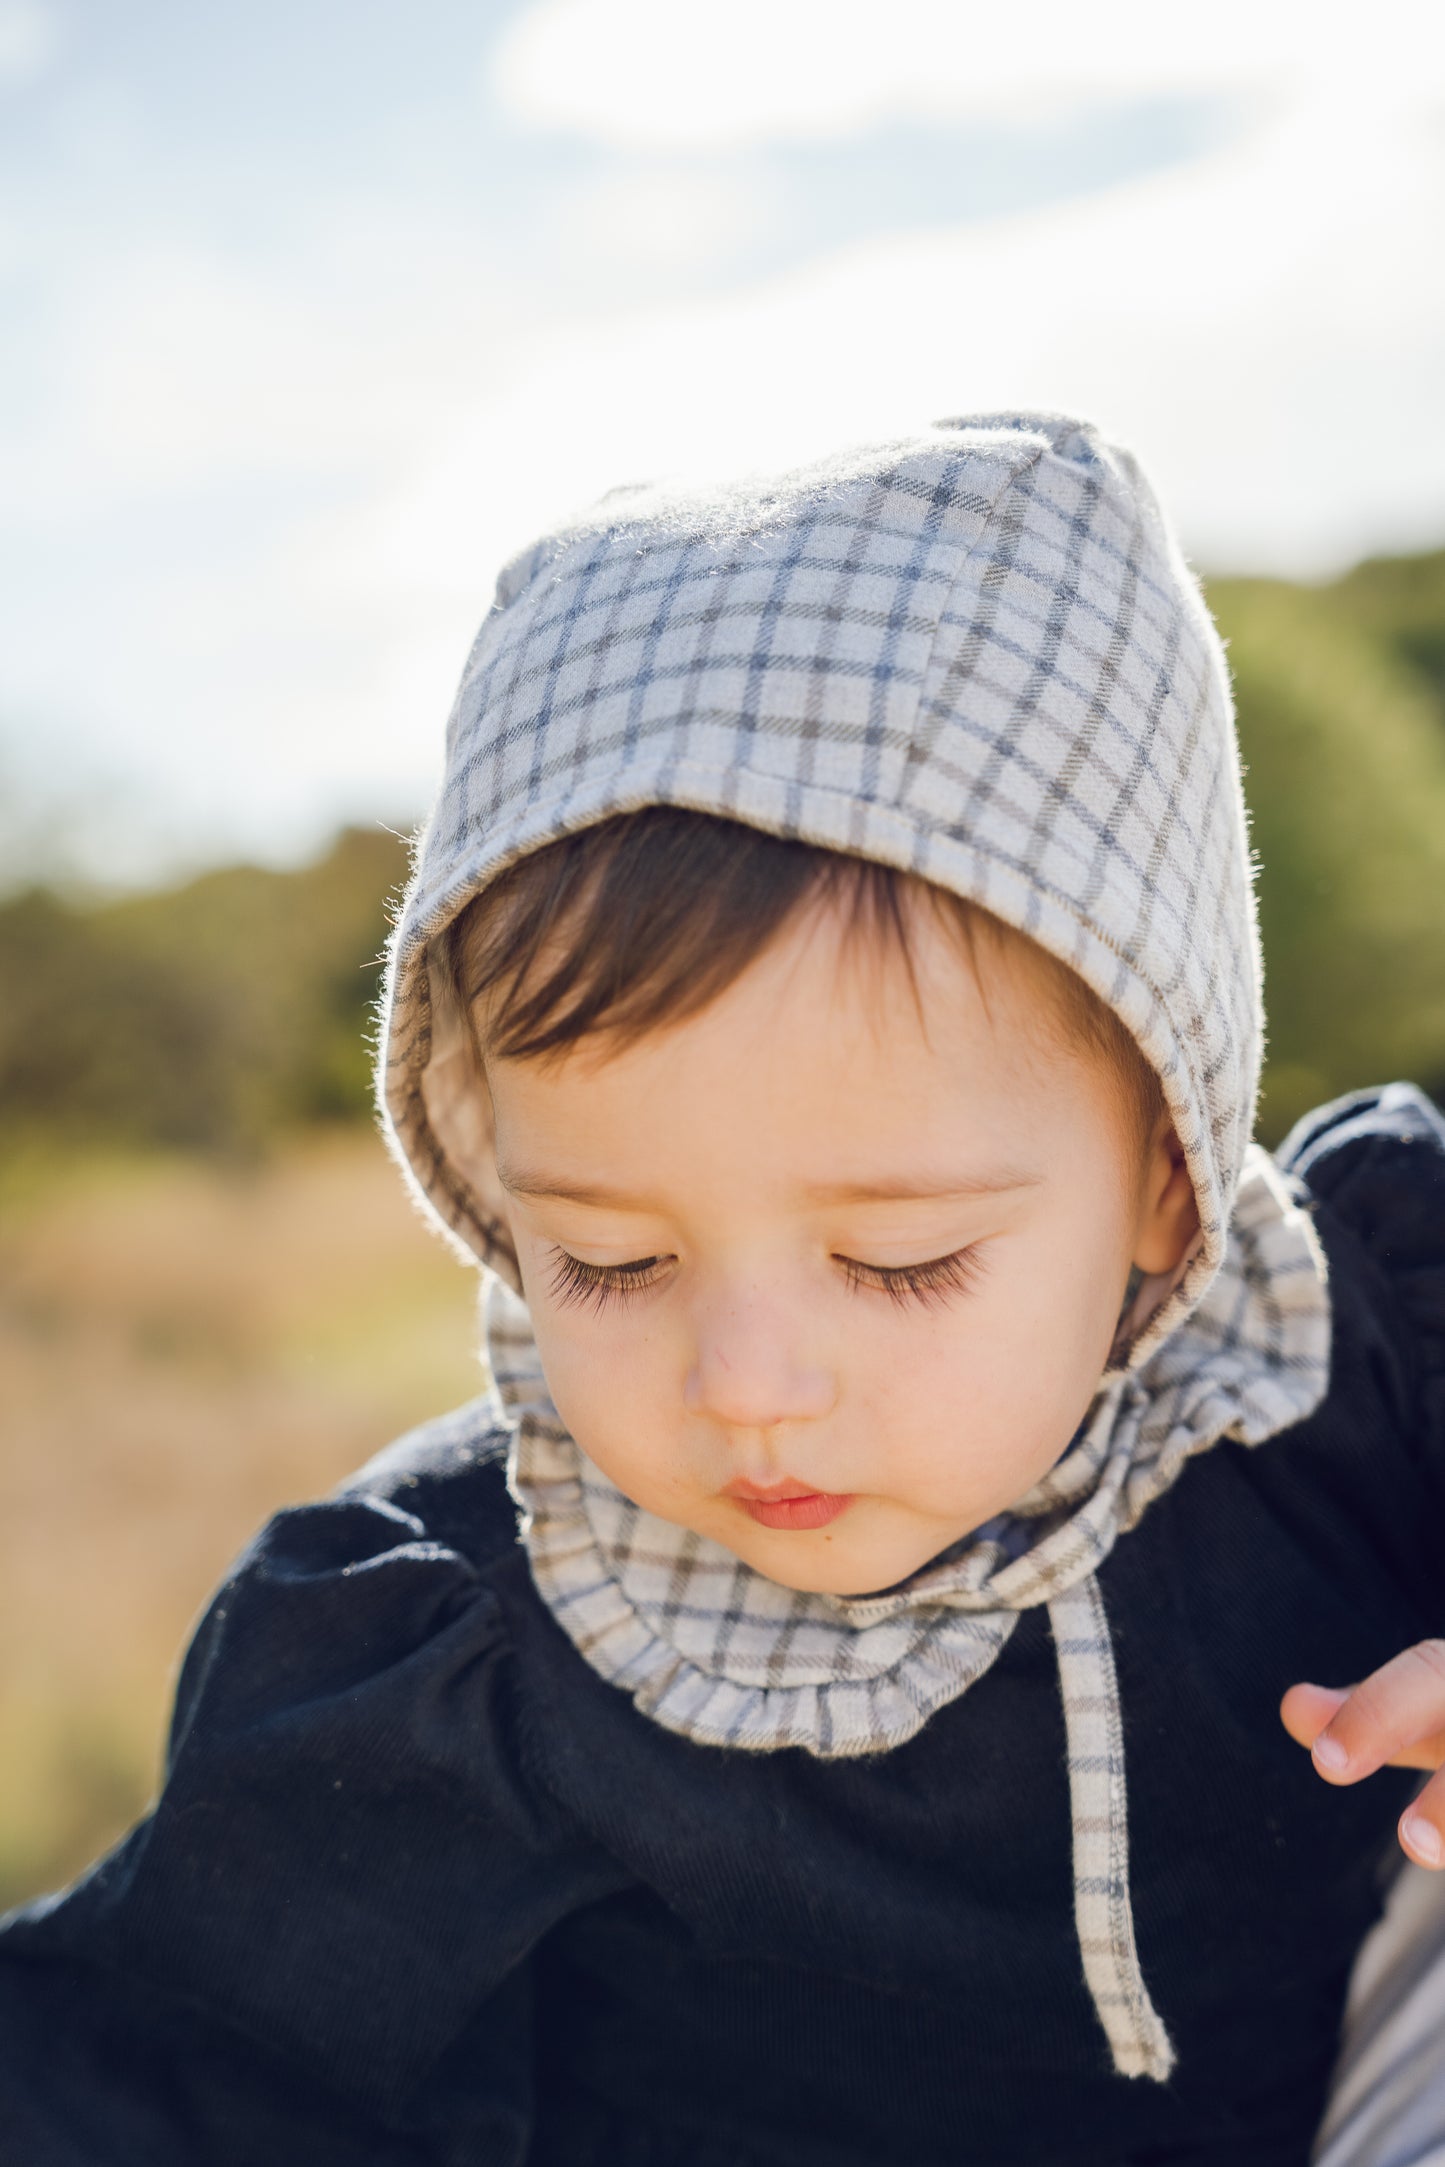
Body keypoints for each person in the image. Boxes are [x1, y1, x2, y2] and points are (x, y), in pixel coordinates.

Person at [2, 412, 1443, 2167]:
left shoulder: (1344, 1352)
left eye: (896, 1260)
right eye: (606, 1260)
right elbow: (143, 2082)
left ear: (1162, 1175)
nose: (746, 1384)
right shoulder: (466, 1663)